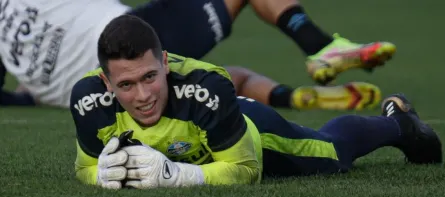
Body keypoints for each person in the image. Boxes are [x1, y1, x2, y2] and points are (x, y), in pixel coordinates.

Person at [70, 15, 440, 189]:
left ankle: (399, 123)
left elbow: (245, 171)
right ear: (106, 82)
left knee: (331, 154)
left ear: (165, 62)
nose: (143, 95)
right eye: (127, 85)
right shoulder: (89, 102)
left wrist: (175, 176)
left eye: (150, 77)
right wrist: (101, 177)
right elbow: (86, 168)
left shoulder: (206, 88)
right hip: (197, 147)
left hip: (248, 133)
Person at [0, 0, 393, 110]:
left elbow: (12, 96)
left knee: (223, 79)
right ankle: (321, 46)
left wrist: (31, 94)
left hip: (101, 89)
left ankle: (290, 98)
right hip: (129, 40)